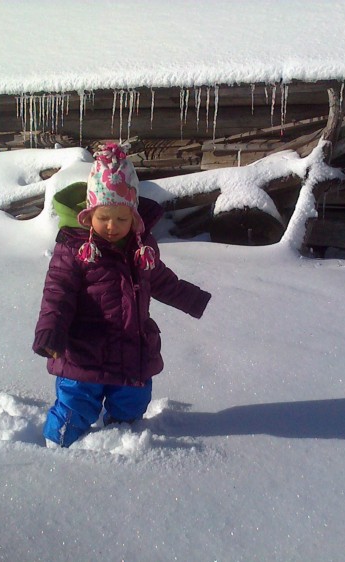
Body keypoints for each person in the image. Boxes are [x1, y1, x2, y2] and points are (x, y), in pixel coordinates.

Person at [33, 143, 211, 448]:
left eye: (122, 219)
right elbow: (57, 293)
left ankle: (121, 446)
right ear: (89, 215)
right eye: (104, 217)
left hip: (131, 349)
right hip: (84, 352)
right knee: (75, 406)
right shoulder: (75, 249)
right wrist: (50, 332)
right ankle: (57, 448)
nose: (112, 226)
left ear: (135, 218)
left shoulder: (141, 249)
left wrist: (191, 298)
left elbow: (161, 280)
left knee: (131, 403)